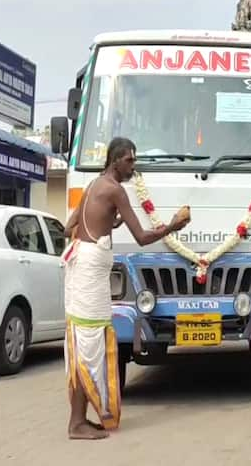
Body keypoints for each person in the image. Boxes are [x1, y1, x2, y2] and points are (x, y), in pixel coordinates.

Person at [62, 137, 189, 439]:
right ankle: (77, 423)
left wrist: (107, 221)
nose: (134, 166)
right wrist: (173, 225)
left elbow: (69, 228)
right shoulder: (116, 190)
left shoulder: (94, 185)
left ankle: (80, 418)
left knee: (83, 341)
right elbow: (143, 237)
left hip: (79, 264)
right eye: (130, 161)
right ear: (116, 160)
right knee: (90, 343)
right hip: (90, 272)